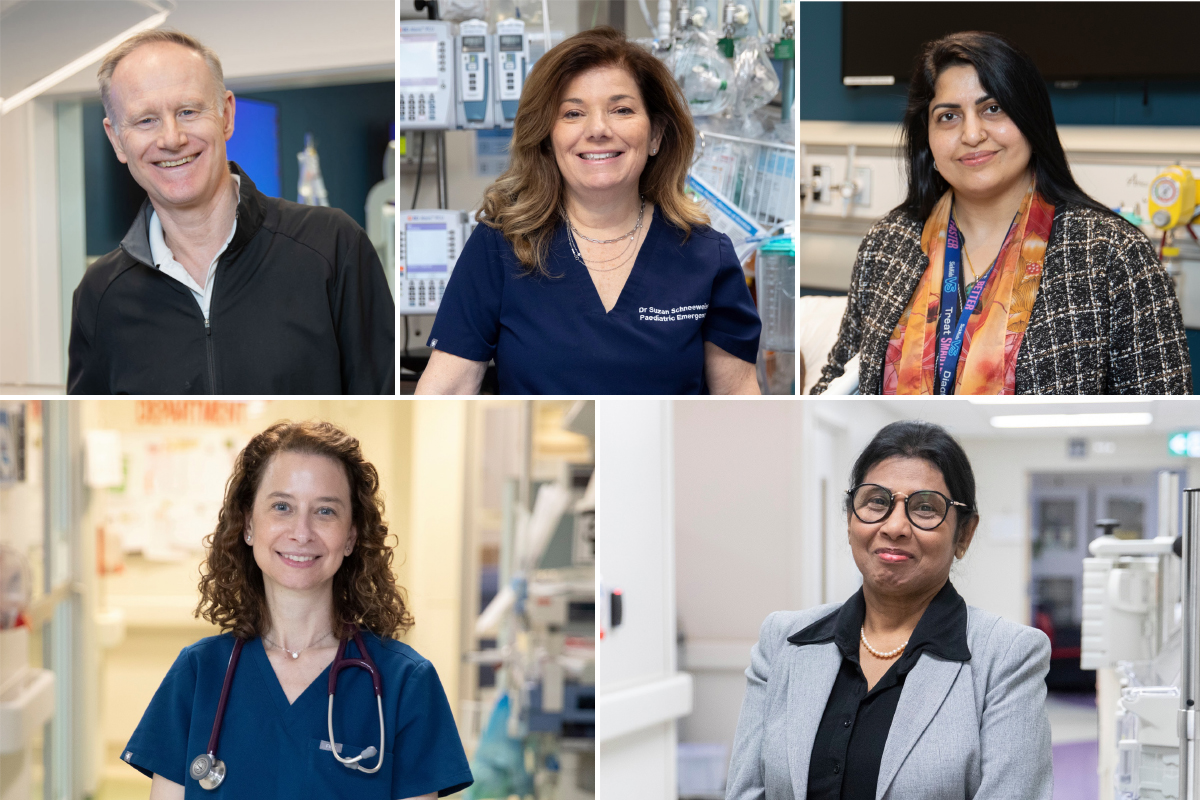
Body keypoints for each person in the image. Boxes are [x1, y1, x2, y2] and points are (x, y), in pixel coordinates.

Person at [811, 31, 1190, 395]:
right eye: (948, 116)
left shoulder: (1111, 253)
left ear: (1029, 117)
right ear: (926, 135)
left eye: (993, 108)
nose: (972, 134)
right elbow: (838, 380)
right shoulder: (890, 243)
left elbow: (1162, 408)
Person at [123, 421, 472, 799]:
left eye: (325, 511)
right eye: (282, 507)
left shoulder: (405, 683)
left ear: (352, 536)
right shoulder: (198, 674)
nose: (301, 532)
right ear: (248, 525)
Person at [415, 26, 761, 395]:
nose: (598, 129)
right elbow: (445, 394)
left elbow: (738, 401)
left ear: (656, 134)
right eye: (573, 113)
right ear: (547, 138)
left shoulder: (707, 255)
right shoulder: (501, 246)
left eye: (621, 109)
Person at [726, 420, 1052, 799]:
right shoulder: (783, 640)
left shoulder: (1007, 657)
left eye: (926, 508)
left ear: (963, 534)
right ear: (851, 521)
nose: (895, 526)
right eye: (877, 502)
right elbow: (746, 791)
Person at [69, 30, 395, 394]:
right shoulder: (100, 294)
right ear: (116, 139)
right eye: (146, 120)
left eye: (188, 111)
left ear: (226, 115)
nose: (172, 138)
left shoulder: (331, 246)